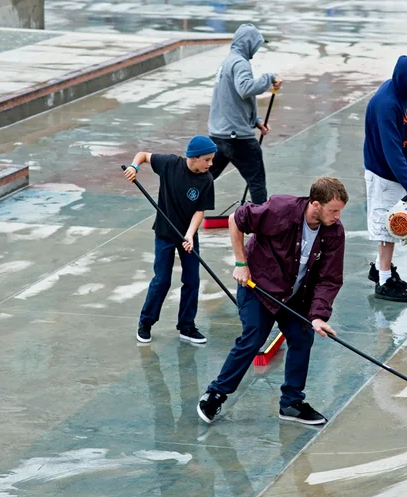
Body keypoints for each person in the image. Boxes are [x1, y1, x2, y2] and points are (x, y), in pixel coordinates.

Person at [197, 177, 348, 425]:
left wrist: (318, 315)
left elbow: (329, 279)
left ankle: (291, 403)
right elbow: (236, 219)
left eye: (340, 210)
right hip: (259, 286)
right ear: (315, 204)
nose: (337, 216)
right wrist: (241, 263)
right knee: (254, 336)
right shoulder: (281, 209)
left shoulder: (334, 232)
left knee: (302, 337)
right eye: (333, 210)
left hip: (294, 294)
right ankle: (216, 394)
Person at [124, 136, 217, 345]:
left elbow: (199, 211)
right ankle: (145, 323)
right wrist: (134, 167)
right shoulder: (169, 163)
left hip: (188, 236)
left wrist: (191, 234)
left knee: (192, 280)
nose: (211, 164)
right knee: (162, 280)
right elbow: (144, 155)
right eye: (207, 160)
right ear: (193, 158)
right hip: (165, 233)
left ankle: (187, 326)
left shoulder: (206, 179)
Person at [363, 55, 407, 303]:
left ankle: (383, 269)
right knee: (387, 228)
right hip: (383, 174)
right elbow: (391, 149)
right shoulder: (386, 104)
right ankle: (383, 281)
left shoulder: (404, 94)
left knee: (395, 226)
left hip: (400, 172)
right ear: (403, 80)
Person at [207, 23, 283, 205]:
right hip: (237, 138)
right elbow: (245, 88)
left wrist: (255, 121)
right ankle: (260, 221)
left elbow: (230, 100)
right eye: (256, 45)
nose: (256, 50)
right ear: (248, 43)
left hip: (219, 135)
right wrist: (269, 78)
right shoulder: (240, 63)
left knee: (204, 179)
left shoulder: (226, 62)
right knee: (257, 182)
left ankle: (185, 211)